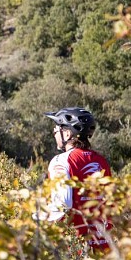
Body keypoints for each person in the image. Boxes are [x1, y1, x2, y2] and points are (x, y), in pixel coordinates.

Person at [38, 107, 113, 251]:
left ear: (67, 133)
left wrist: (34, 219)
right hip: (104, 245)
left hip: (75, 248)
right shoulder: (101, 161)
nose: (54, 133)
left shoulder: (60, 161)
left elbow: (62, 203)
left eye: (56, 129)